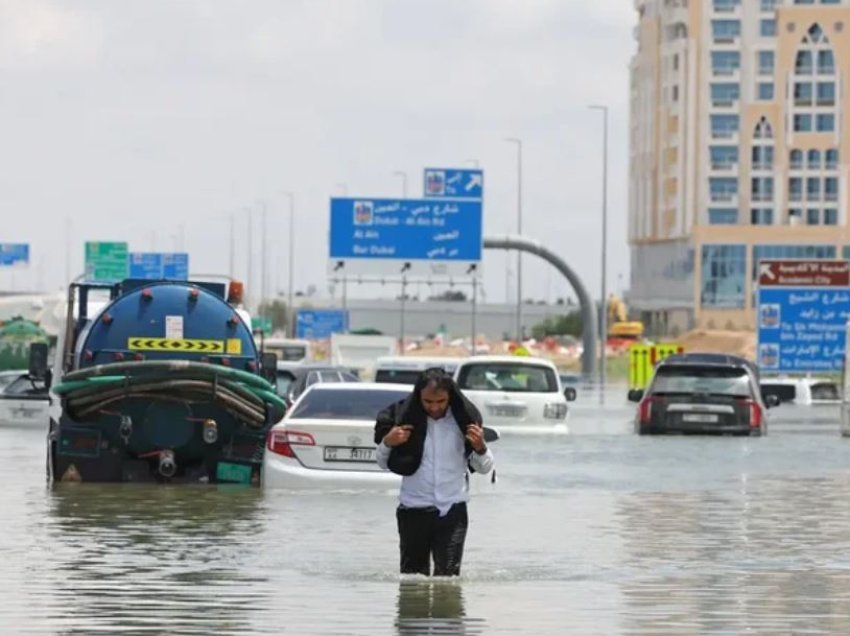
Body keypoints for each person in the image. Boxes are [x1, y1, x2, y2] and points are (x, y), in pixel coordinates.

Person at [374, 367, 494, 577]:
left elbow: (484, 468)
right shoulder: (404, 422)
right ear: (418, 396)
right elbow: (382, 463)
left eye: (441, 401)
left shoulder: (463, 423)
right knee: (412, 580)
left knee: (448, 582)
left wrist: (480, 447)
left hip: (452, 511)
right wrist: (387, 442)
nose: (435, 407)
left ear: (450, 397)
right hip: (413, 510)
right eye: (428, 402)